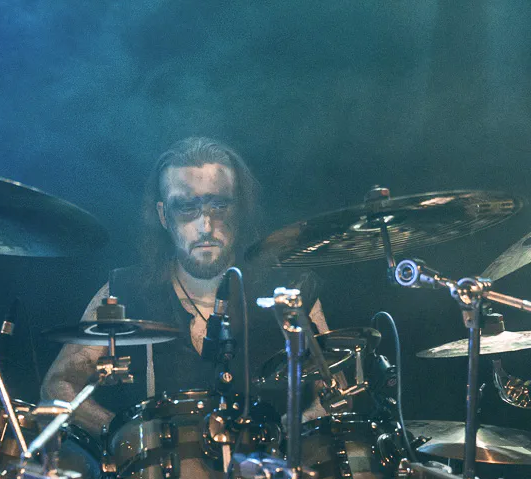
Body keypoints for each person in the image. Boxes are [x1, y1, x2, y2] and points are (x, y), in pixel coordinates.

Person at [41, 137, 330, 435]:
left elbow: (334, 388)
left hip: (266, 462)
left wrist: (299, 431)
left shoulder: (289, 293)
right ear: (163, 216)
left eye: (219, 205)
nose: (206, 226)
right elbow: (57, 386)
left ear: (240, 209)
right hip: (162, 462)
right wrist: (123, 435)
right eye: (186, 207)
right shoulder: (123, 292)